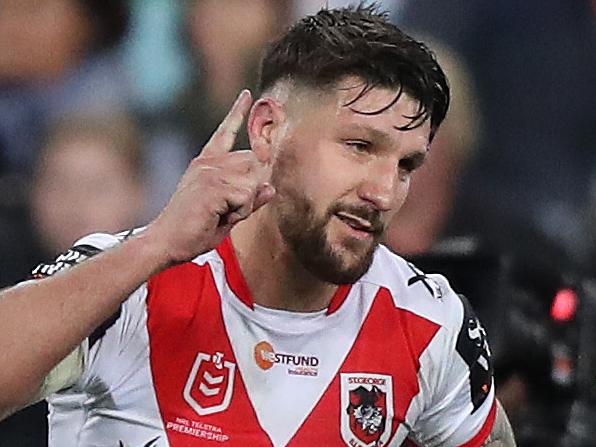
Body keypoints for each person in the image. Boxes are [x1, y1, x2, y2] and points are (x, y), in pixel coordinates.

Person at [0, 5, 515, 446]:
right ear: (268, 130)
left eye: (406, 166)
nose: (383, 192)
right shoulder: (128, 285)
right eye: (359, 147)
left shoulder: (430, 322)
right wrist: (154, 245)